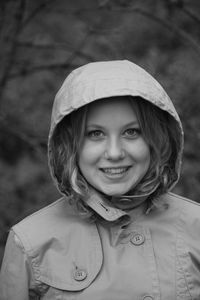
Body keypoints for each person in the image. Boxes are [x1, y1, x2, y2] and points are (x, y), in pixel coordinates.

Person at [0, 60, 200, 300]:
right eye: (95, 134)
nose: (115, 153)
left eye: (131, 132)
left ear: (156, 139)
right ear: (69, 146)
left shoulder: (195, 227)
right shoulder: (30, 242)